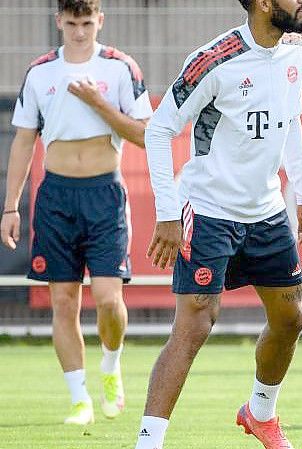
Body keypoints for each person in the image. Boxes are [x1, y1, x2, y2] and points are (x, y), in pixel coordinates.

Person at [134, 1, 302, 448]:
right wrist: (167, 212)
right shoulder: (214, 60)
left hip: (268, 213)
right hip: (210, 210)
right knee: (195, 325)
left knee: (291, 319)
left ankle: (260, 414)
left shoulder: (297, 51)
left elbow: (291, 119)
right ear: (263, 4)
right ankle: (148, 441)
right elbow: (159, 130)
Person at [0, 0, 152, 425]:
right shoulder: (41, 72)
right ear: (59, 22)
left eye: (87, 22)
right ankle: (79, 399)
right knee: (64, 302)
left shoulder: (121, 68)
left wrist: (98, 104)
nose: (80, 32)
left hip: (104, 194)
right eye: (72, 23)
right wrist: (11, 206)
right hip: (56, 197)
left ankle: (110, 363)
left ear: (100, 20)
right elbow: (24, 142)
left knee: (107, 299)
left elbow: (144, 134)